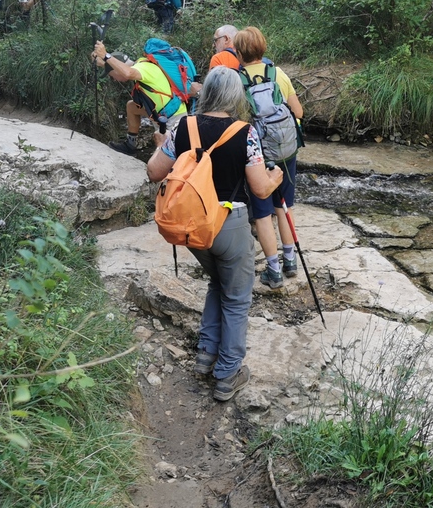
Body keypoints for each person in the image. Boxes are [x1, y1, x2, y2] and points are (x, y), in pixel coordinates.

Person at [147, 67, 283, 401]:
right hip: (229, 224)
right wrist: (276, 176)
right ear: (236, 96)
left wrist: (164, 145)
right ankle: (228, 373)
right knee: (237, 299)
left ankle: (206, 355)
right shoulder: (245, 132)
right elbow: (260, 189)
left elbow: (153, 172)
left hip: (193, 228)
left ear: (205, 91)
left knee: (217, 283)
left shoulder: (183, 125)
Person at [234, 27, 304, 289]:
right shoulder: (278, 73)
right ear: (263, 48)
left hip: (258, 155)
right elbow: (298, 111)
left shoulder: (236, 79)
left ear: (239, 53)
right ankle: (290, 260)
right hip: (286, 150)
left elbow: (237, 122)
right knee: (285, 206)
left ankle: (273, 271)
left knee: (262, 213)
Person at [91, 39, 195, 155]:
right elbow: (121, 69)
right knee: (131, 106)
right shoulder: (141, 65)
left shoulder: (144, 68)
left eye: (112, 76)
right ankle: (130, 145)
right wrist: (100, 61)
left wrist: (105, 55)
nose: (114, 80)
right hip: (161, 113)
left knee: (168, 156)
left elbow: (128, 73)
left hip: (173, 117)